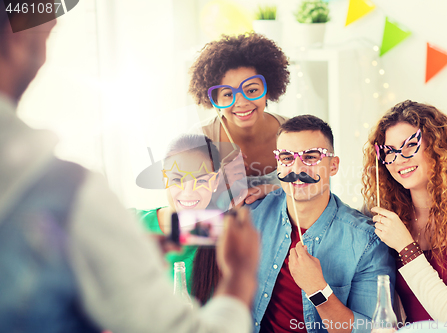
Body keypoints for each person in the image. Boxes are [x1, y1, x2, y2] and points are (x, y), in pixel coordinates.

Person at [0, 3, 260, 333]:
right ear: (15, 38)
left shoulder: (219, 227)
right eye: (46, 30)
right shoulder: (74, 198)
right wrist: (240, 275)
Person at [248, 115, 395, 333]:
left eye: (311, 157)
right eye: (287, 157)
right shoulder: (252, 217)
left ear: (333, 165)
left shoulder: (367, 241)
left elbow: (372, 330)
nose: (297, 168)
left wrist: (318, 289)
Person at [361, 100, 447, 332]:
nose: (399, 159)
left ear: (438, 148)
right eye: (389, 151)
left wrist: (406, 247)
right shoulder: (386, 214)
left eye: (410, 145)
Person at [188, 32, 290, 204]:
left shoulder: (292, 132)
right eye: (228, 94)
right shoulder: (199, 141)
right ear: (214, 99)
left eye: (251, 90)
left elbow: (318, 196)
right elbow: (188, 211)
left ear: (268, 89)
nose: (242, 102)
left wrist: (275, 191)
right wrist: (221, 185)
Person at [135, 134, 223, 304]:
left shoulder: (227, 237)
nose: (188, 192)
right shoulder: (133, 224)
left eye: (202, 180)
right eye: (177, 179)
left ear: (215, 181)